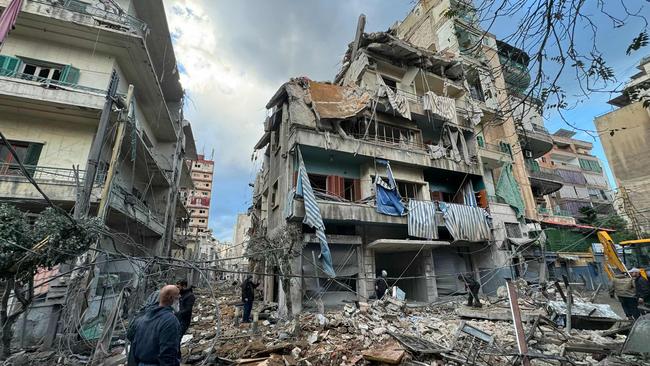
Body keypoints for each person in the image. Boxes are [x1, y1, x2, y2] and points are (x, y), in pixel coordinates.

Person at [131, 285, 181, 366]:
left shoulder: (143, 318)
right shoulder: (170, 320)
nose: (179, 301)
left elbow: (135, 345)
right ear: (171, 298)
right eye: (178, 297)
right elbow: (168, 354)